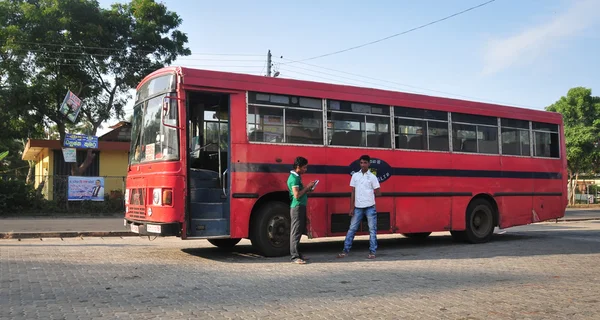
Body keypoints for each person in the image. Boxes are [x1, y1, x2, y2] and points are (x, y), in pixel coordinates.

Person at [338, 154, 382, 259]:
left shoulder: (372, 177)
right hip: (358, 207)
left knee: (372, 230)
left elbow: (378, 192)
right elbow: (352, 192)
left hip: (370, 206)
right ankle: (345, 250)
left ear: (369, 164)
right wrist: (351, 207)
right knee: (352, 229)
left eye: (365, 163)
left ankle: (372, 252)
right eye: (361, 163)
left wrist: (369, 195)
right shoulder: (355, 176)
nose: (363, 165)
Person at [287, 156, 316, 264]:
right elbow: (297, 195)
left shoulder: (297, 177)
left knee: (299, 231)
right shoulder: (294, 178)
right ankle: (294, 256)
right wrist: (308, 187)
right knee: (295, 231)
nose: (305, 170)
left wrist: (309, 189)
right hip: (297, 207)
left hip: (300, 206)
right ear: (298, 167)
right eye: (304, 168)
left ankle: (298, 253)